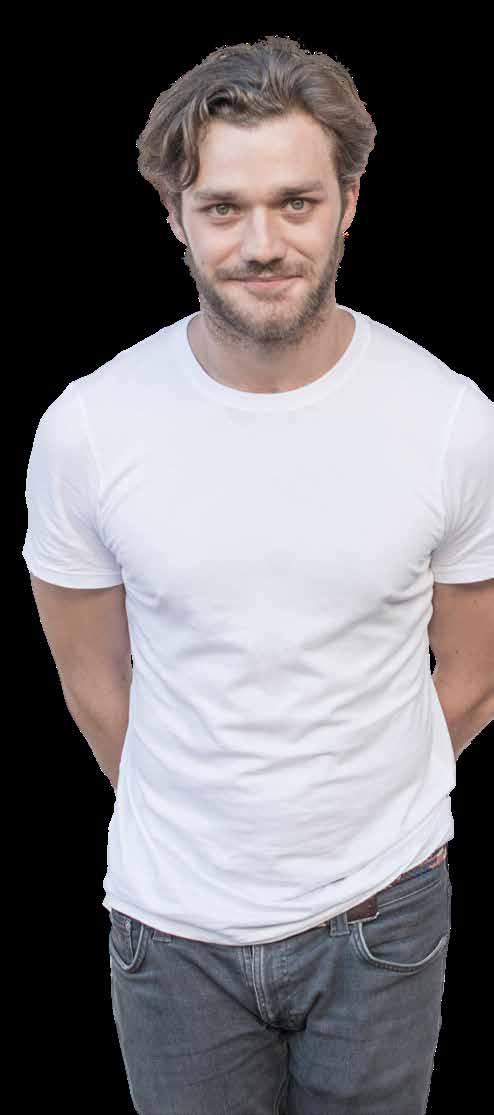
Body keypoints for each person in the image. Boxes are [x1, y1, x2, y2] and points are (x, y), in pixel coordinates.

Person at [22, 35, 494, 1115]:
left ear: (349, 203)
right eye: (223, 207)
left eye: (295, 202)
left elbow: (471, 676)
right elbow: (93, 682)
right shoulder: (89, 428)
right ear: (174, 214)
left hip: (384, 912)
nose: (262, 242)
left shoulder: (450, 421)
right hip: (170, 928)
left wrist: (352, 809)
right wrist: (210, 817)